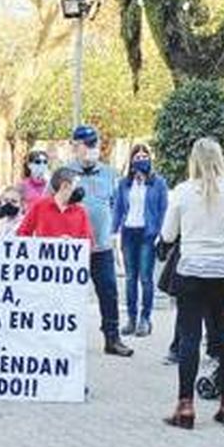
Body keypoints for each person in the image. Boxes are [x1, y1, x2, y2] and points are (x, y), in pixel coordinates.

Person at [158, 138, 224, 429]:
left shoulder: (182, 191)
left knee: (189, 338)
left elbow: (168, 235)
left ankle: (185, 406)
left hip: (192, 273)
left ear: (193, 160)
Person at [65, 125, 132, 357]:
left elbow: (117, 204)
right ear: (74, 146)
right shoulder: (63, 173)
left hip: (101, 246)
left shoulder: (110, 173)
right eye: (86, 145)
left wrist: (111, 230)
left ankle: (112, 338)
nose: (91, 149)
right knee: (69, 295)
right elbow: (49, 204)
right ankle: (66, 340)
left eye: (94, 144)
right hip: (72, 247)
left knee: (109, 291)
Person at [114, 143, 168, 338]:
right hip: (129, 233)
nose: (141, 159)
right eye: (137, 157)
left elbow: (163, 209)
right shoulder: (124, 183)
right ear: (131, 160)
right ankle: (131, 318)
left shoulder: (158, 182)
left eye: (145, 156)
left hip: (148, 234)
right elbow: (118, 208)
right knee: (130, 278)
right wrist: (114, 232)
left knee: (145, 278)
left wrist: (161, 233)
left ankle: (145, 319)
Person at [16, 168, 92, 240]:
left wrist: (72, 243)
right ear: (64, 186)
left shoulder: (80, 211)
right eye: (76, 185)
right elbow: (22, 233)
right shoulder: (39, 206)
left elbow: (88, 241)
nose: (79, 190)